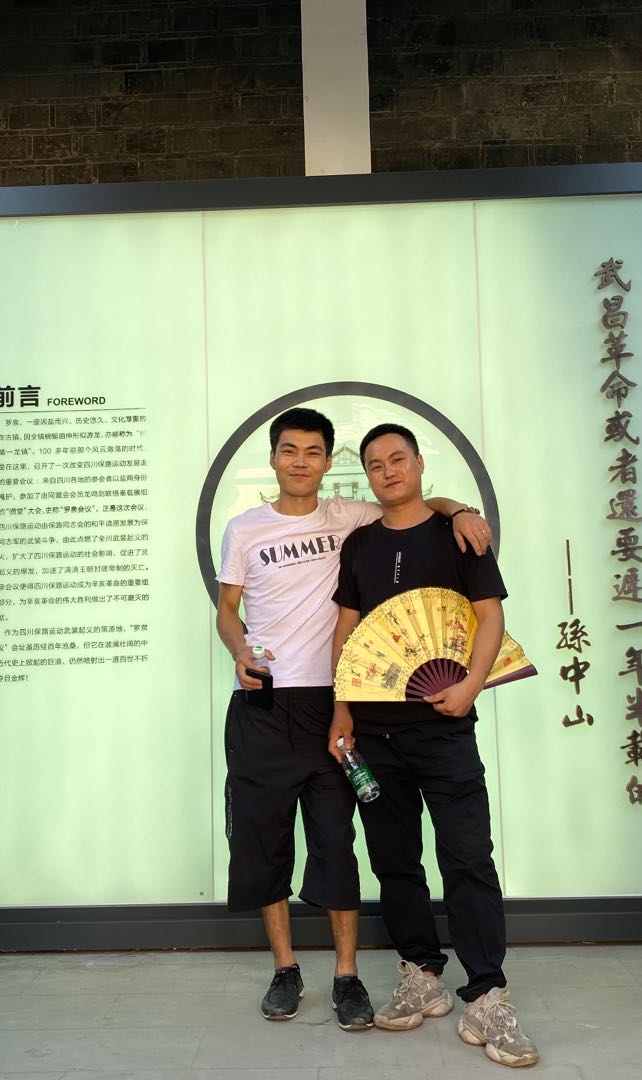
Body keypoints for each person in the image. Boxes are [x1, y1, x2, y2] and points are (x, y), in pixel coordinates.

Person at [216, 406, 491, 1030]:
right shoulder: (243, 529)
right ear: (273, 457)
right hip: (262, 703)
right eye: (289, 451)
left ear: (327, 461)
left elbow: (413, 503)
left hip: (332, 703)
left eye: (313, 452)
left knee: (336, 841)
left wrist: (461, 510)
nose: (300, 462)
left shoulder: (351, 516)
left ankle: (347, 975)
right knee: (264, 841)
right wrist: (238, 649)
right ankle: (285, 969)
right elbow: (228, 609)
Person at [328, 423, 538, 1069]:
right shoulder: (360, 545)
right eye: (376, 464)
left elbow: (489, 615)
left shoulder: (458, 534)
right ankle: (421, 973)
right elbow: (347, 634)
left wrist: (471, 684)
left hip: (445, 729)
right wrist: (342, 711)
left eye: (398, 459)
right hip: (375, 733)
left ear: (420, 464)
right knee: (395, 861)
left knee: (468, 857)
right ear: (367, 475)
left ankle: (488, 994)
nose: (388, 471)